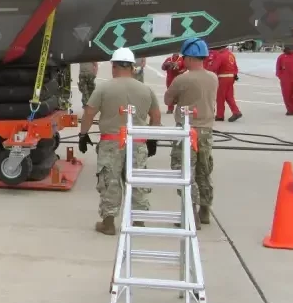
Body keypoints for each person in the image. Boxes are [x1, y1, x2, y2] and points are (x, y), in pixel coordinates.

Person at [77, 47, 162, 236]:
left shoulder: (104, 88)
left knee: (110, 182)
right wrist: (152, 139)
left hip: (111, 143)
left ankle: (108, 223)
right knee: (137, 182)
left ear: (113, 66)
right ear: (132, 67)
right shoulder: (145, 89)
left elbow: (89, 113)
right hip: (137, 142)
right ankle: (138, 221)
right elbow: (156, 116)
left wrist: (83, 135)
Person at [163, 37, 218, 228]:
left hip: (186, 132)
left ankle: (190, 214)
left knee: (185, 171)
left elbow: (168, 100)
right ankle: (205, 210)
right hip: (206, 130)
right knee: (204, 170)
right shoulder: (213, 78)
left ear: (190, 58)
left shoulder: (182, 79)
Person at [208, 45, 242, 122]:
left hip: (223, 77)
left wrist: (209, 67)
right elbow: (235, 67)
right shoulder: (230, 54)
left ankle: (220, 115)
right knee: (229, 96)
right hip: (231, 77)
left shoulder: (220, 55)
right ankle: (236, 111)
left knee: (220, 97)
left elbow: (214, 67)